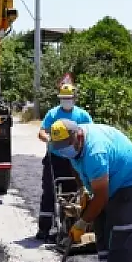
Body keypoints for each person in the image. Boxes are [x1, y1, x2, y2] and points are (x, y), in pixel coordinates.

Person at [48, 119, 132, 262]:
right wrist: (83, 189)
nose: (64, 151)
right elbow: (74, 163)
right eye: (60, 148)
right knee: (101, 225)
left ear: (78, 136)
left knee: (120, 231)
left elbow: (101, 197)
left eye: (67, 146)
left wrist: (81, 223)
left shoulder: (96, 152)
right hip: (107, 181)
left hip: (130, 182)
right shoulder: (65, 145)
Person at [35, 83, 93, 241]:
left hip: (74, 158)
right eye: (63, 98)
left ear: (74, 98)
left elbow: (89, 133)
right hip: (55, 159)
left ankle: (70, 226)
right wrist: (47, 138)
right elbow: (41, 131)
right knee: (49, 191)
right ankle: (44, 229)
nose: (66, 101)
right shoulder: (53, 114)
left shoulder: (82, 116)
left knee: (74, 191)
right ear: (60, 99)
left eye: (69, 98)